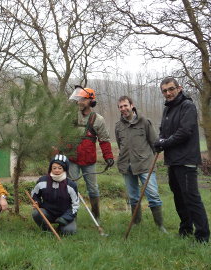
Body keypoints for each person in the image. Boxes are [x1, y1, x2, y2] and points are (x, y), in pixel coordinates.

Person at [154, 77, 210, 243]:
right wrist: (159, 142)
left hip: (186, 159)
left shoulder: (188, 106)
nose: (168, 93)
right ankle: (185, 229)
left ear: (179, 88)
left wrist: (165, 142)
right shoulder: (168, 109)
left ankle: (202, 236)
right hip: (173, 161)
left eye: (171, 89)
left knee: (191, 198)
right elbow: (163, 131)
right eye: (164, 91)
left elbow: (185, 132)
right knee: (178, 197)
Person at [115, 96, 166, 232]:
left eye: (125, 105)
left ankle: (160, 226)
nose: (123, 109)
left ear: (132, 105)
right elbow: (120, 144)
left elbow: (154, 142)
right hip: (126, 165)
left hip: (145, 165)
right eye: (120, 107)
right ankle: (136, 223)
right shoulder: (118, 126)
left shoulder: (145, 122)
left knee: (153, 195)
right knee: (133, 196)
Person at [66, 85, 114, 222]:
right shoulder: (70, 116)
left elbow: (104, 140)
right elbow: (62, 136)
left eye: (83, 99)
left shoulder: (98, 119)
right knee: (70, 188)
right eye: (79, 98)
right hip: (72, 159)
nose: (79, 101)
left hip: (89, 161)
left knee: (93, 189)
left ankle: (96, 216)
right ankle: (71, 216)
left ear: (91, 101)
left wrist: (109, 157)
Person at [30, 154, 79, 235]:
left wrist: (66, 218)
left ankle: (61, 228)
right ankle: (48, 231)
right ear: (50, 168)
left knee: (68, 232)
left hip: (65, 214)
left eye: (60, 168)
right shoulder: (42, 181)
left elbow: (75, 205)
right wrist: (36, 202)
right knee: (36, 213)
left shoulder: (71, 185)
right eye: (54, 168)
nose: (57, 170)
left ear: (65, 169)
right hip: (48, 212)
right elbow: (35, 195)